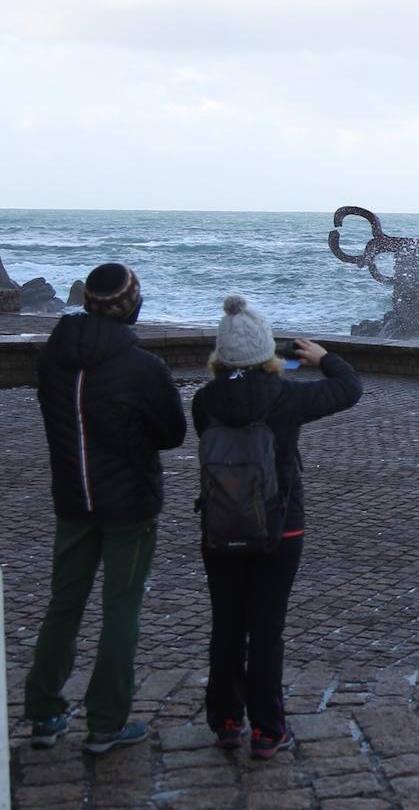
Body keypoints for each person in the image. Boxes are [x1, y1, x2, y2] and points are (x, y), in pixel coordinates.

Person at [25, 263, 187, 754]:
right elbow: (172, 433)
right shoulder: (142, 366)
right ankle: (106, 722)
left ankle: (44, 712)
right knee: (121, 609)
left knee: (64, 604)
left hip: (73, 497)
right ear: (132, 305)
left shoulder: (54, 356)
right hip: (130, 504)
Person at [192, 295, 361, 759]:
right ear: (266, 351)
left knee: (227, 625)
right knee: (266, 630)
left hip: (221, 526)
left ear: (221, 354)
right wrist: (324, 357)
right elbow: (349, 388)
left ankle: (226, 720)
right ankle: (268, 730)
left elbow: (233, 395)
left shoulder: (204, 401)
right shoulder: (286, 396)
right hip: (281, 525)